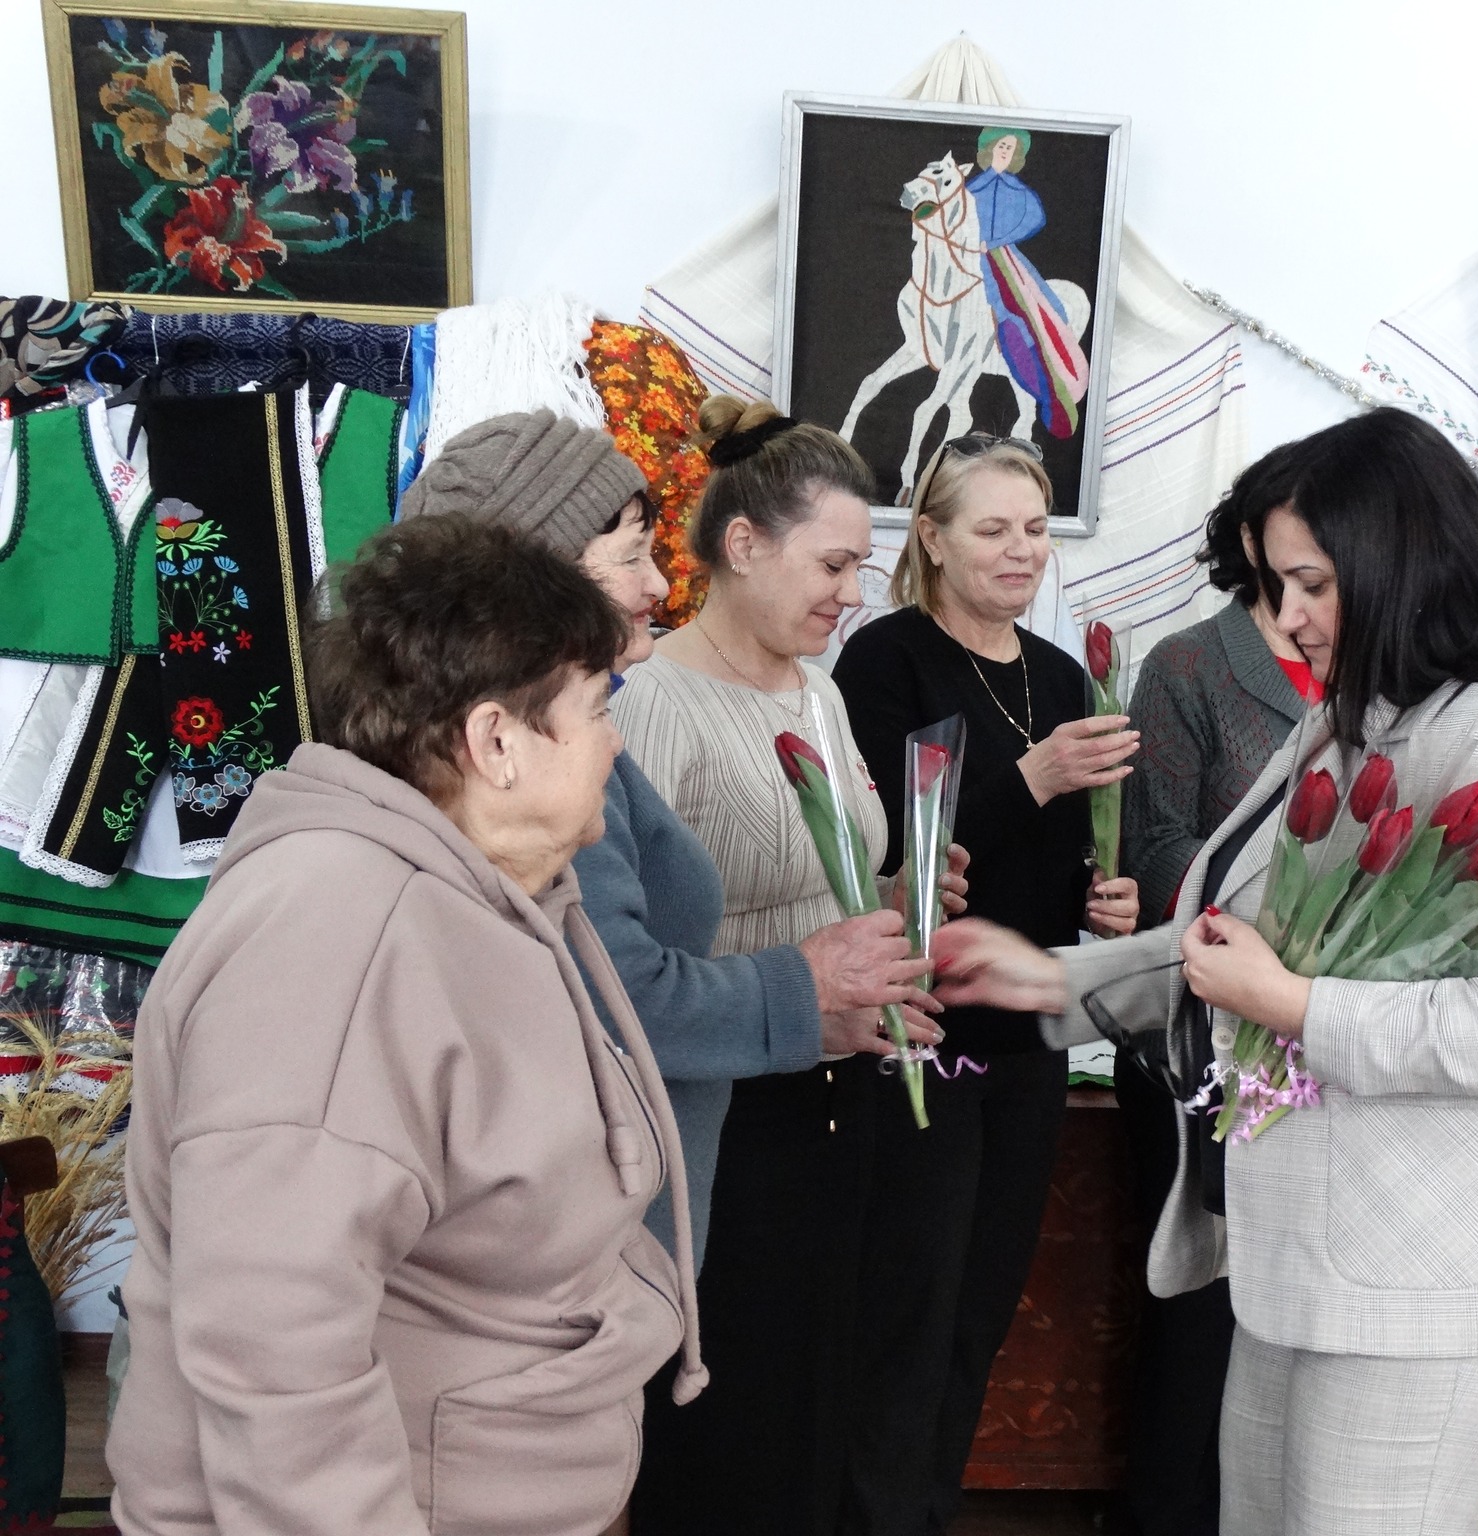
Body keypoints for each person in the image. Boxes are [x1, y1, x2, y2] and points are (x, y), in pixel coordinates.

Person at [928, 408, 1478, 1535]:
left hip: (1430, 1282)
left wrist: (1292, 1006)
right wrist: (1045, 984)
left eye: (1310, 585)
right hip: (1307, 1260)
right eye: (1273, 586)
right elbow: (1234, 947)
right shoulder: (1346, 724)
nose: (1287, 619)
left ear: (1401, 566)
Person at [107, 515, 702, 1536]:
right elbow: (273, 1346)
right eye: (598, 707)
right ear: (496, 741)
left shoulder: (467, 898)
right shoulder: (339, 936)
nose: (614, 742)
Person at [396, 410, 947, 1284]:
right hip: (612, 1190)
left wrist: (874, 924)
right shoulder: (548, 757)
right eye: (632, 556)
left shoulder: (803, 695)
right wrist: (803, 986)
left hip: (736, 1111)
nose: (660, 583)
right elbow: (613, 990)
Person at [831, 430, 1140, 1534]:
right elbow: (887, 854)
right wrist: (1033, 775)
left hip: (1026, 1044)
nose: (1022, 551)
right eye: (993, 529)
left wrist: (1104, 900)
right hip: (917, 1033)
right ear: (930, 536)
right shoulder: (884, 662)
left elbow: (1045, 871)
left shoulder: (1058, 676)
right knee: (907, 1307)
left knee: (981, 1306)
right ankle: (873, 1517)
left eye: (1035, 529)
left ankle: (927, 1510)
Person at [608, 396, 906, 1536]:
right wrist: (808, 978)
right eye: (833, 564)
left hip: (838, 1096)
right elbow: (633, 957)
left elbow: (827, 881)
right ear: (742, 544)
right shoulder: (650, 704)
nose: (851, 593)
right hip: (727, 1119)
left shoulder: (820, 690)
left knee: (814, 1409)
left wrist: (899, 899)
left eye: (858, 566)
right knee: (731, 1427)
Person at [1114, 440, 1319, 1536]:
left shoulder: (1378, 671)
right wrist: (1272, 942)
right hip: (1203, 1035)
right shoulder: (1188, 665)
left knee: (1290, 1311)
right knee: (1199, 1309)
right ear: (1252, 540)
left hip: (1322, 1043)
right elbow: (1153, 847)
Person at [968, 127, 1089, 440]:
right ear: (990, 148)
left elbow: (1035, 219)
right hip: (968, 257)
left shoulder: (1019, 191)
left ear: (1015, 155)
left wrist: (997, 240)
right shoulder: (971, 189)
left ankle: (1049, 389)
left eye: (1010, 147)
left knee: (1023, 314)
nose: (1005, 150)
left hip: (1004, 261)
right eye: (1002, 144)